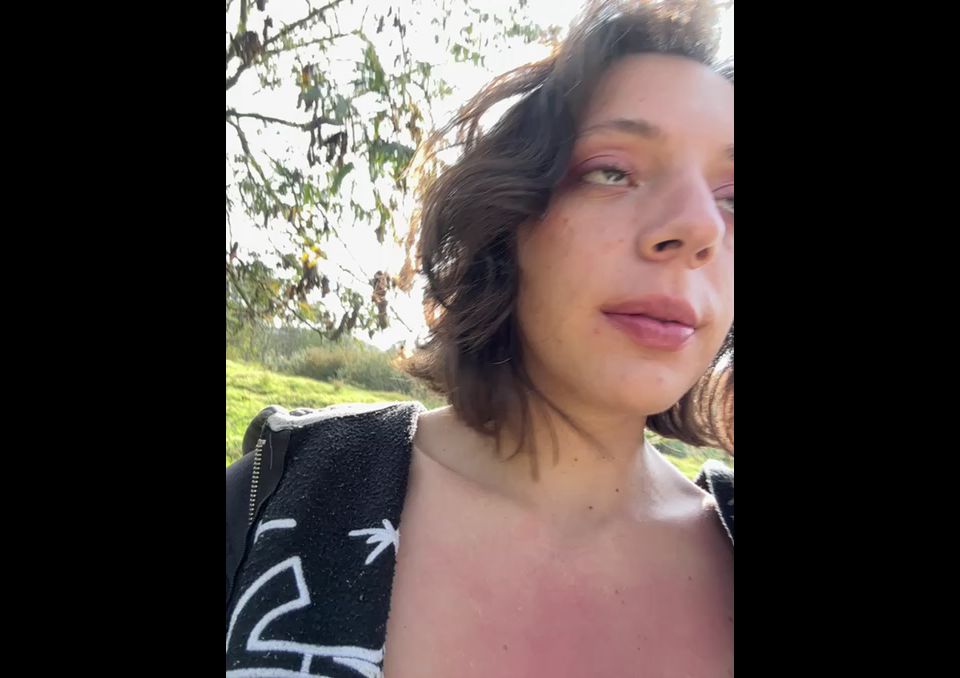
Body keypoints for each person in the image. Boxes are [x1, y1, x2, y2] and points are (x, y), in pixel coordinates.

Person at [226, 1, 734, 675]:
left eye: (732, 196)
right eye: (612, 171)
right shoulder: (279, 501)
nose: (700, 228)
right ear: (508, 219)